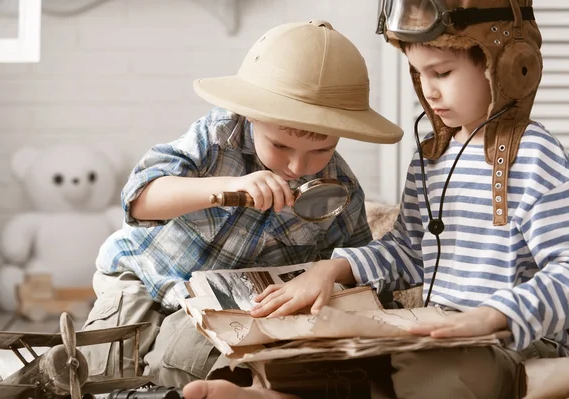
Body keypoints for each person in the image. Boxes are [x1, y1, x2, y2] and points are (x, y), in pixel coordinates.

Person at [195, 1, 568, 398]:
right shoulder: (431, 156)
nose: (429, 90)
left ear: (511, 66)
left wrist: (495, 316)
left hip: (512, 339)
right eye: (419, 74)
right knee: (334, 352)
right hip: (437, 332)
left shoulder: (533, 156)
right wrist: (332, 269)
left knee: (446, 370)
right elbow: (408, 251)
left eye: (442, 72)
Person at [79, 19, 403, 389]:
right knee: (98, 365)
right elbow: (139, 201)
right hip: (145, 272)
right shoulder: (215, 137)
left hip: (223, 303)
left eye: (321, 150)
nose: (297, 166)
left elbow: (356, 266)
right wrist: (226, 186)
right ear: (252, 112)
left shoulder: (339, 190)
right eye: (280, 146)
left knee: (183, 365)